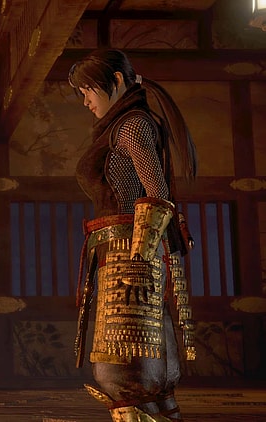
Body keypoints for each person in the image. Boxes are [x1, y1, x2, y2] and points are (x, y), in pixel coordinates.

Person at [69, 49, 197, 422]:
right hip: (122, 248)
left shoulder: (131, 125)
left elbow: (156, 192)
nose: (85, 101)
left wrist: (139, 255)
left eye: (88, 90)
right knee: (137, 367)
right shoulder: (122, 125)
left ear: (117, 81)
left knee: (123, 368)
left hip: (131, 253)